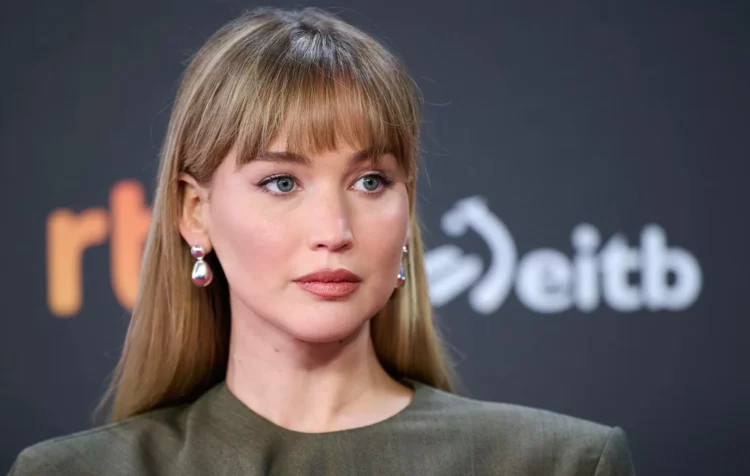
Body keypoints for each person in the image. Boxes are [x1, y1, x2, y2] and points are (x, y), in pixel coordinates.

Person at [9, 6, 635, 475]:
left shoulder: (562, 464)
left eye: (370, 181)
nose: (334, 232)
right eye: (282, 182)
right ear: (195, 212)